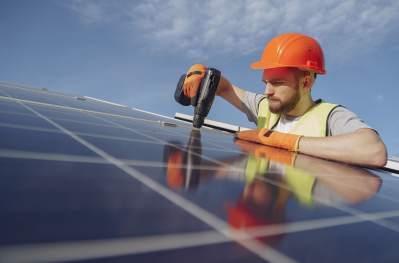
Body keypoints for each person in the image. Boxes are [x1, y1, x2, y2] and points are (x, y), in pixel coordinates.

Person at [182, 32, 387, 167]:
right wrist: (202, 72)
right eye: (266, 82)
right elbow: (223, 87)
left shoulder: (329, 116)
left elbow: (373, 150)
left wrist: (283, 141)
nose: (267, 91)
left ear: (306, 83)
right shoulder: (267, 106)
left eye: (278, 82)